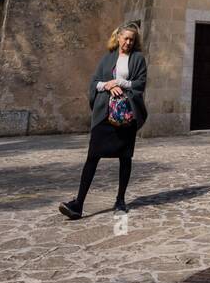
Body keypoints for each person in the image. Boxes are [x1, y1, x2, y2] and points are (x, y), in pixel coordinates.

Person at [59, 24, 148, 220]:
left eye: (132, 39)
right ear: (118, 38)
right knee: (92, 157)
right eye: (125, 38)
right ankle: (78, 204)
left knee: (125, 158)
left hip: (126, 116)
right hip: (105, 115)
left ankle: (120, 199)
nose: (128, 42)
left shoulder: (138, 59)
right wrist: (107, 85)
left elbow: (140, 83)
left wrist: (120, 83)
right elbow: (94, 83)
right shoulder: (107, 59)